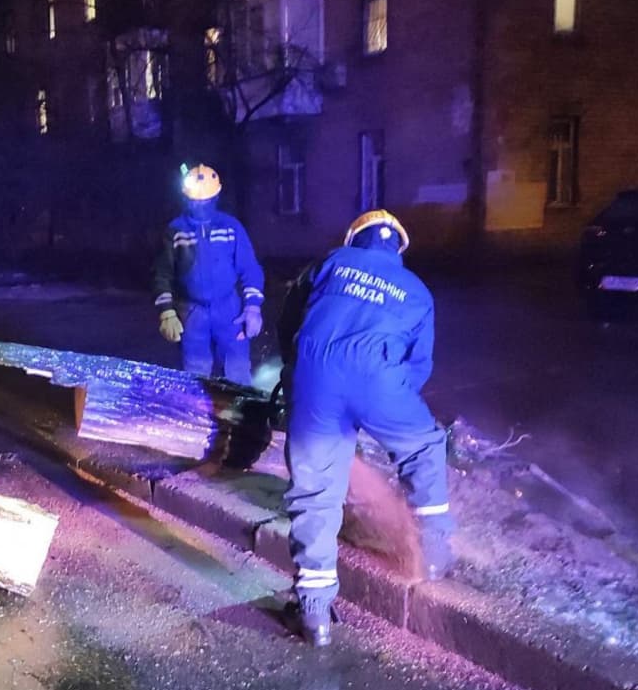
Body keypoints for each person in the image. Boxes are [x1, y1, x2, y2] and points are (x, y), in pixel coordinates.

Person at [278, 209, 453, 647]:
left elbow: (291, 321)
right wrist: (381, 402)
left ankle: (315, 613)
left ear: (354, 238)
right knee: (422, 448)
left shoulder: (330, 263)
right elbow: (418, 366)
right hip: (380, 381)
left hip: (316, 379)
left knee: (315, 492)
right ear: (398, 248)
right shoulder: (417, 291)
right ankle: (432, 558)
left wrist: (300, 374)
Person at [153, 163, 265, 385]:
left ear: (215, 198)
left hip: (229, 310)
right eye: (195, 201)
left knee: (238, 371)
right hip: (192, 311)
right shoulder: (176, 230)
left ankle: (243, 415)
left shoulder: (231, 227)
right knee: (195, 375)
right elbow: (162, 273)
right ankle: (197, 416)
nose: (199, 205)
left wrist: (252, 307)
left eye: (204, 201)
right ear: (185, 199)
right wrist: (166, 312)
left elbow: (249, 268)